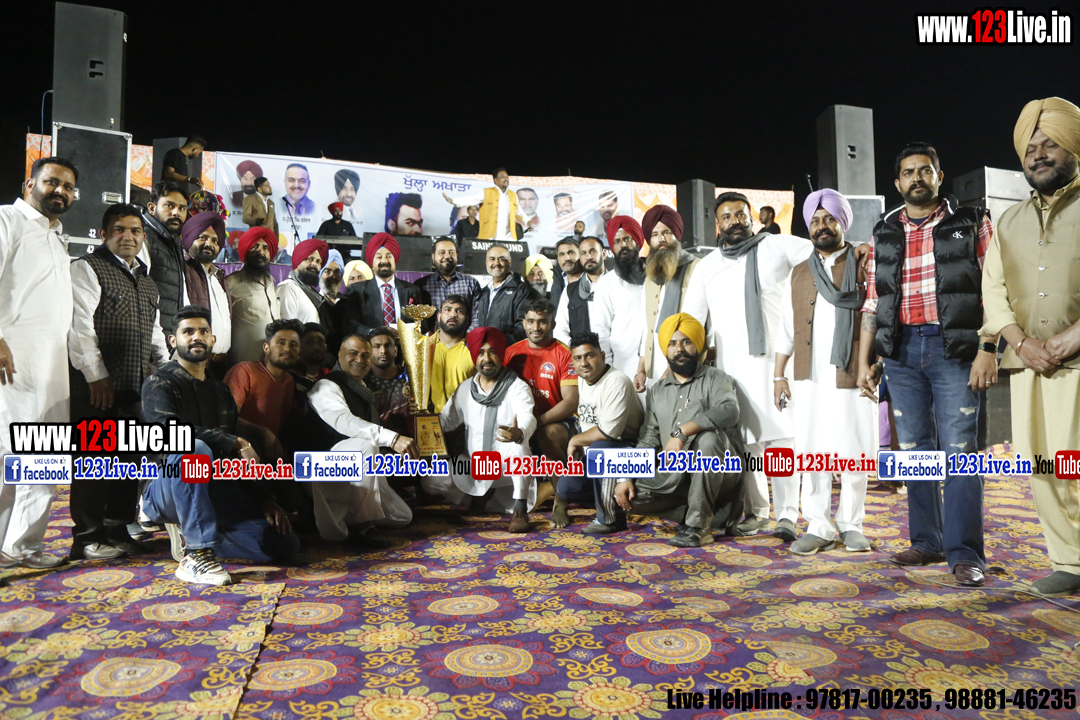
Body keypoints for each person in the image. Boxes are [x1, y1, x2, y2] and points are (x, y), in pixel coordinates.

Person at [857, 143, 994, 589]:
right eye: (908, 172)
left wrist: (988, 347)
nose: (916, 177)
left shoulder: (971, 221)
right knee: (916, 452)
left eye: (925, 170)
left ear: (939, 176)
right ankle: (927, 541)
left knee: (960, 453)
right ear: (897, 182)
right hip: (902, 353)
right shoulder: (884, 231)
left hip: (955, 350)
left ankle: (965, 553)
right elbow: (875, 300)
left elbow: (994, 287)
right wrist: (870, 357)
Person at [982, 98, 1080, 596]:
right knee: (1043, 465)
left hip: (1077, 361)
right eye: (1030, 148)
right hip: (1030, 365)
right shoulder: (1009, 221)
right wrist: (1020, 342)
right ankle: (1069, 561)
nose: (1038, 154)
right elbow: (993, 289)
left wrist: (1070, 338)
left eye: (1050, 144)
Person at [682, 192, 819, 536]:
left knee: (782, 439)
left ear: (752, 217)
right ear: (717, 225)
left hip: (778, 366)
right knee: (746, 443)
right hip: (732, 372)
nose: (735, 222)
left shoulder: (776, 246)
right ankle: (757, 513)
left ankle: (787, 515)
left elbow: (821, 253)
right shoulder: (707, 267)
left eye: (741, 214)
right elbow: (693, 321)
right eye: (727, 217)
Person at [142, 306, 300, 585]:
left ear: (213, 339)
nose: (197, 337)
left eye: (203, 331)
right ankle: (196, 554)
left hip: (217, 487)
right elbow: (169, 431)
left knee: (284, 545)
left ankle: (193, 533)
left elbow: (238, 456)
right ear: (173, 340)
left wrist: (264, 498)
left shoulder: (219, 390)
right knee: (194, 449)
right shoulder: (159, 382)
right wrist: (233, 440)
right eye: (188, 332)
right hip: (167, 485)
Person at [773, 190, 874, 554]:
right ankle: (818, 524)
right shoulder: (799, 272)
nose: (822, 226)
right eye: (815, 221)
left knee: (854, 447)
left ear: (842, 222)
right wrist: (779, 376)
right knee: (812, 448)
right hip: (809, 375)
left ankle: (851, 523)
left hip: (853, 370)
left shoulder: (864, 263)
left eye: (830, 218)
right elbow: (786, 328)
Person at [0, 157, 79, 569]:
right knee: (6, 453)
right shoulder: (8, 220)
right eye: (52, 182)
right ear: (30, 184)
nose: (59, 191)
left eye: (68, 187)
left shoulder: (56, 236)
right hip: (12, 358)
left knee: (44, 455)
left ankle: (22, 546)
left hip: (51, 365)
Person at [619, 314, 744, 546]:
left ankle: (698, 527)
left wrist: (682, 432)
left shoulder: (716, 378)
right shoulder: (658, 390)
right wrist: (625, 476)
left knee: (708, 439)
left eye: (686, 342)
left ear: (698, 345)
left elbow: (729, 410)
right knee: (624, 496)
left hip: (719, 469)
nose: (679, 349)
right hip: (675, 474)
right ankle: (701, 512)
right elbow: (649, 438)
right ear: (665, 351)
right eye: (672, 343)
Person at [425, 327, 538, 531]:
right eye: (481, 353)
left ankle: (520, 509)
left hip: (503, 464)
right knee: (431, 479)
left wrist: (519, 432)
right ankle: (478, 497)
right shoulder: (466, 388)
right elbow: (447, 421)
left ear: (501, 354)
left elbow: (528, 417)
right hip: (474, 465)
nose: (486, 358)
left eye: (492, 352)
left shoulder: (516, 386)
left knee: (518, 448)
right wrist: (421, 417)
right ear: (474, 357)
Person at [308, 332, 415, 545]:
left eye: (365, 355)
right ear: (339, 356)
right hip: (319, 467)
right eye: (353, 353)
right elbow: (345, 422)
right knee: (365, 446)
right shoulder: (326, 386)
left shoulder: (361, 388)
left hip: (352, 470)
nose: (360, 360)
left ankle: (345, 512)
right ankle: (364, 526)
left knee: (403, 516)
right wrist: (393, 439)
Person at [551, 332, 644, 532]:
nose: (583, 363)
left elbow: (608, 433)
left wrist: (575, 440)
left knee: (600, 447)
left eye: (589, 356)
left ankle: (610, 520)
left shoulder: (617, 381)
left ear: (602, 356)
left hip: (631, 454)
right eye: (578, 358)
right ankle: (614, 502)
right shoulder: (582, 380)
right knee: (566, 488)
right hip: (600, 453)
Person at [504, 299, 579, 475]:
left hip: (557, 420)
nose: (536, 327)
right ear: (524, 323)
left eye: (542, 322)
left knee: (547, 434)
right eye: (531, 321)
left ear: (552, 324)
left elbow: (571, 402)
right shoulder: (511, 352)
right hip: (521, 418)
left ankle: (563, 487)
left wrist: (536, 423)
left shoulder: (565, 354)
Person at [635, 205, 700, 389]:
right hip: (654, 367)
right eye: (654, 234)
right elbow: (647, 327)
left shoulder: (696, 268)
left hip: (685, 365)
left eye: (666, 232)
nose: (661, 239)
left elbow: (700, 323)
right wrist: (641, 369)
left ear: (677, 234)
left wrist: (674, 367)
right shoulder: (650, 276)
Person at [224, 318, 303, 460]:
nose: (287, 349)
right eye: (281, 343)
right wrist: (263, 432)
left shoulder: (289, 381)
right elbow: (227, 417)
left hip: (270, 451)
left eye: (294, 345)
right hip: (240, 448)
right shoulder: (245, 371)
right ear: (266, 348)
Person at [339, 233, 427, 337]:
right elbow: (350, 324)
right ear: (372, 262)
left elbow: (423, 324)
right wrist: (373, 332)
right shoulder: (358, 290)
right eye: (379, 257)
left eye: (389, 256)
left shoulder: (412, 290)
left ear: (395, 260)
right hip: (370, 345)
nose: (384, 260)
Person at [593, 216, 647, 385]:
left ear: (637, 242)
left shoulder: (656, 277)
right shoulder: (606, 284)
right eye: (617, 241)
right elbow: (601, 332)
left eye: (627, 239)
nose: (623, 245)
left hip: (656, 366)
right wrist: (609, 372)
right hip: (623, 369)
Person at [181, 212, 232, 374]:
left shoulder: (219, 277)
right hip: (193, 362)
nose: (209, 244)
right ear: (189, 239)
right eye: (202, 238)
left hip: (221, 364)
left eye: (215, 241)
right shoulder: (181, 270)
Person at [225, 227, 281, 364]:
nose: (261, 252)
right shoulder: (230, 283)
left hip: (270, 363)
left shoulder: (271, 282)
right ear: (245, 251)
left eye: (265, 248)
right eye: (255, 247)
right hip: (243, 363)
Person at [141, 181, 189, 337]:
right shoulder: (143, 238)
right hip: (148, 336)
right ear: (152, 208)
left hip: (169, 335)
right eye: (169, 206)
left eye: (182, 208)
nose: (176, 213)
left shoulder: (174, 242)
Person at [442, 168, 528, 241]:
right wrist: (453, 201)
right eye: (502, 177)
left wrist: (528, 221)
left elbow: (519, 212)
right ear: (495, 180)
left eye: (507, 177)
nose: (506, 179)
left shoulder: (513, 195)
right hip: (491, 238)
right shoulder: (486, 193)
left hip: (508, 238)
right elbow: (471, 199)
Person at [475, 244, 536, 344]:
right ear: (486, 263)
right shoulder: (484, 292)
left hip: (508, 350)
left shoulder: (522, 291)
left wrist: (496, 343)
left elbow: (523, 328)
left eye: (501, 259)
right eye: (492, 259)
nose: (496, 263)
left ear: (510, 262)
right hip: (485, 351)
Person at [419, 237, 481, 331]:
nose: (447, 256)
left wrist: (467, 337)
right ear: (433, 257)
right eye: (442, 252)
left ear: (457, 256)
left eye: (451, 252)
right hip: (430, 338)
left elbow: (477, 318)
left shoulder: (471, 283)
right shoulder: (421, 285)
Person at [554, 235, 604, 345]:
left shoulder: (616, 284)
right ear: (580, 258)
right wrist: (576, 349)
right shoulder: (569, 290)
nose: (588, 257)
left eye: (593, 251)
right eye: (584, 253)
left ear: (603, 254)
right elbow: (560, 329)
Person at [432, 295, 475, 414]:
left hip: (466, 419)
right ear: (439, 316)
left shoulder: (476, 348)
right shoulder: (423, 347)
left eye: (459, 311)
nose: (453, 315)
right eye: (448, 310)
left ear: (467, 318)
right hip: (428, 419)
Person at [365, 327, 410, 437]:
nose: (383, 351)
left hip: (409, 439)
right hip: (374, 441)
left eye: (388, 345)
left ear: (395, 350)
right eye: (377, 346)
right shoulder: (363, 381)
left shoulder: (410, 377)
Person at [277, 238, 330, 324]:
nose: (314, 264)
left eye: (318, 261)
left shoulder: (310, 291)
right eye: (310, 259)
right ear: (298, 261)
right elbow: (287, 327)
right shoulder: (288, 287)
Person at [290, 322, 331, 394]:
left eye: (320, 342)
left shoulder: (329, 375)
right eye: (310, 343)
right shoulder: (290, 376)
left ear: (326, 347)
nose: (317, 347)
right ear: (299, 346)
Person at [549, 236, 582, 311]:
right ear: (558, 258)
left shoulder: (591, 279)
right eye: (562, 254)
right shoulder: (557, 280)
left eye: (571, 253)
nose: (567, 258)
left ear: (580, 255)